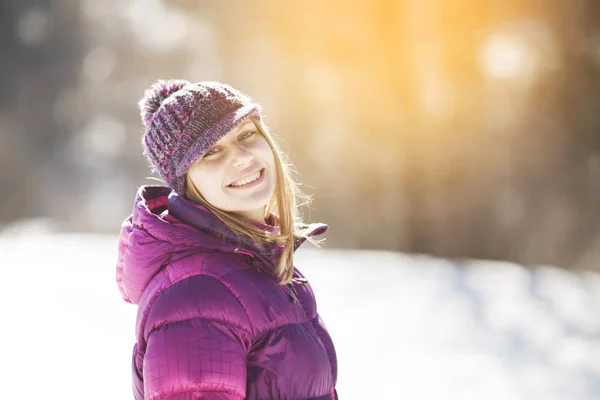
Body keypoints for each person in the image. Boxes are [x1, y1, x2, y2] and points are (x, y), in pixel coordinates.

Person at [116, 80, 339, 400]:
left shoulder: (254, 264)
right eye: (211, 152)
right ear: (185, 182)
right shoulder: (198, 296)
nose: (242, 157)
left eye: (246, 134)